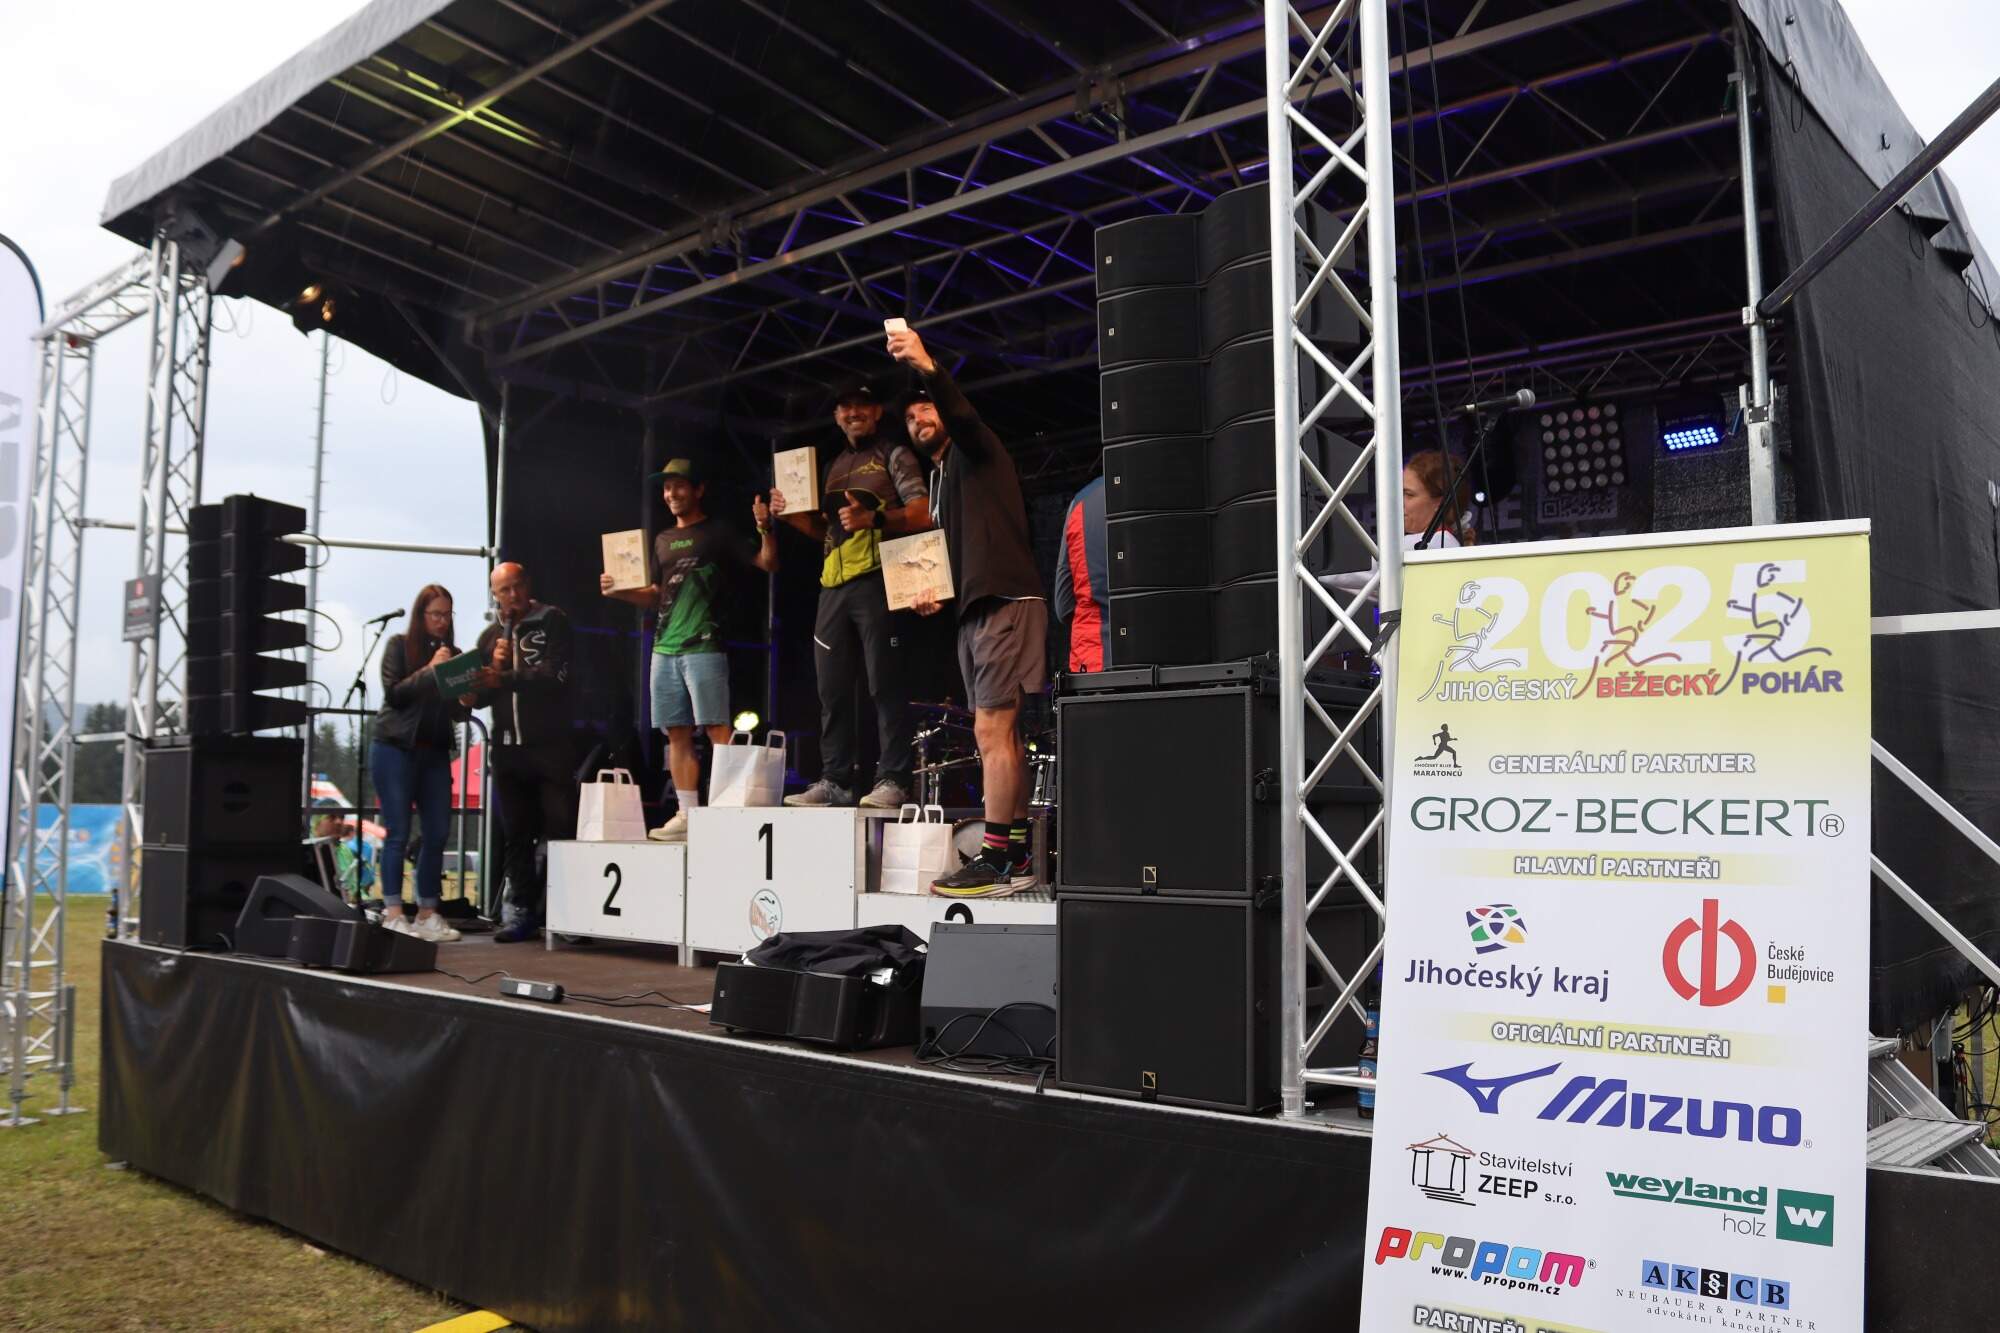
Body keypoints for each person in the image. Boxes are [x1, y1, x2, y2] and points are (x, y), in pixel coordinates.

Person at [886, 326, 1046, 895]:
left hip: (1005, 600)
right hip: (974, 608)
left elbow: (963, 415)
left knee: (992, 729)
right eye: (910, 418)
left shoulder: (976, 450)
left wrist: (926, 365)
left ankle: (998, 857)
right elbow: (953, 556)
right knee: (999, 732)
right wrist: (934, 590)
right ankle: (1014, 852)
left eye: (926, 409)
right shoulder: (940, 480)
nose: (919, 420)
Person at [769, 379, 932, 809]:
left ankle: (894, 779)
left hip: (879, 577)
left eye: (862, 405)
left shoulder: (894, 454)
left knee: (884, 683)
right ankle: (836, 780)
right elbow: (826, 531)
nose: (853, 412)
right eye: (845, 407)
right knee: (832, 689)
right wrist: (788, 517)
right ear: (837, 416)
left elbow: (923, 512)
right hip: (832, 585)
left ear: (877, 412)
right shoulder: (833, 465)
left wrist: (874, 518)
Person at [601, 458, 778, 841]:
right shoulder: (662, 539)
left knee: (717, 728)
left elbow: (768, 562)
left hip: (704, 644)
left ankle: (730, 811)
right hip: (663, 649)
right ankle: (686, 814)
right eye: (667, 488)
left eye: (679, 486)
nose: (671, 494)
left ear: (699, 489)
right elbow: (655, 594)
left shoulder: (718, 532)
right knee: (676, 734)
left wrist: (765, 527)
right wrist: (618, 592)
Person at [465, 562, 577, 943]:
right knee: (516, 834)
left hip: (550, 746)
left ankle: (567, 914)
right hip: (507, 750)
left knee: (560, 830)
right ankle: (520, 912)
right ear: (494, 595)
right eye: (504, 590)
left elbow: (557, 674)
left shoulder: (552, 620)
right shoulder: (488, 637)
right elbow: (480, 697)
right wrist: (478, 684)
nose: (512, 596)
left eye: (517, 586)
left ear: (527, 585)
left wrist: (505, 677)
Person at [370, 584, 467, 943]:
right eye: (436, 614)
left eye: (447, 614)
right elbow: (395, 694)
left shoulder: (454, 655)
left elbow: (458, 712)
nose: (442, 621)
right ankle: (394, 911)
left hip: (435, 751)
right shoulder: (398, 646)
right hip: (395, 747)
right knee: (397, 831)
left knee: (437, 831)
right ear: (421, 615)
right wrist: (430, 670)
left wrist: (468, 693)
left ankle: (428, 912)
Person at [1322, 448, 1469, 600]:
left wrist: (1311, 568)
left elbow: (1350, 573)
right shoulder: (1447, 542)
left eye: (1409, 494)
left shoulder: (1429, 544)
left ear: (1440, 503)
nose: (1400, 502)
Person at [1053, 473, 1108, 672]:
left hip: (1094, 663)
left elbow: (1063, 605)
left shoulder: (1081, 503)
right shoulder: (1174, 491)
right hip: (1167, 664)